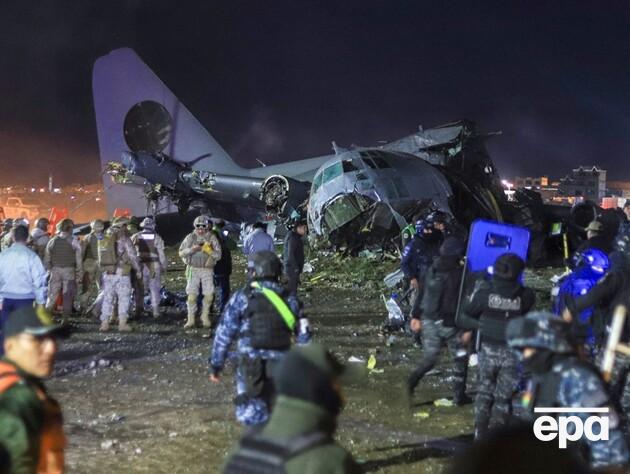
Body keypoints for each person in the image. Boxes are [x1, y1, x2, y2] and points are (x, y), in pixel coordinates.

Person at [507, 311, 629, 470]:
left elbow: (609, 446)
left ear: (547, 343)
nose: (525, 355)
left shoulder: (577, 378)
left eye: (528, 348)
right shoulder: (542, 376)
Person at [223, 343, 362, 474]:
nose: (343, 397)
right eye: (338, 385)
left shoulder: (242, 449)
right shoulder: (331, 461)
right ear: (322, 389)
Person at [209, 250, 311, 426]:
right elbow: (305, 336)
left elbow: (224, 333)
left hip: (250, 364)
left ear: (253, 271)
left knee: (251, 415)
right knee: (281, 415)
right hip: (281, 363)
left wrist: (216, 365)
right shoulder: (290, 298)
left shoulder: (242, 297)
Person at [460, 253, 535, 439]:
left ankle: (480, 432)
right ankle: (498, 435)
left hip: (488, 350)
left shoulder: (484, 294)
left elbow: (464, 315)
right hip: (512, 353)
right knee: (504, 397)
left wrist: (480, 325)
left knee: (484, 392)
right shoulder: (526, 296)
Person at [563, 231, 630, 418]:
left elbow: (594, 295)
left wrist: (570, 311)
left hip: (617, 343)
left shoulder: (618, 274)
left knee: (603, 392)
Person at [0, 306, 66, 473]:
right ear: (9, 346)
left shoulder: (14, 381)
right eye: (37, 339)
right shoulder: (18, 397)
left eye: (53, 338)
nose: (51, 348)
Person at [407, 237, 470, 405]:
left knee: (430, 358)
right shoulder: (461, 273)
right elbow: (465, 301)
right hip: (451, 323)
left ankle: (411, 382)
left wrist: (415, 316)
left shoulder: (431, 269)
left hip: (429, 320)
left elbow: (422, 293)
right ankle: (459, 396)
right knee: (460, 358)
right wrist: (467, 327)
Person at [0, 225, 47, 356]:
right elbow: (39, 281)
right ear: (27, 238)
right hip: (25, 300)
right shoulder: (32, 256)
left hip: (5, 300)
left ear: (12, 237)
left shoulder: (3, 255)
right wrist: (41, 302)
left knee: (5, 331)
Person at [98, 216, 141, 332]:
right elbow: (132, 255)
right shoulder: (124, 238)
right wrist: (138, 270)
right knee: (123, 298)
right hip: (122, 272)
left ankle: (104, 324)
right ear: (122, 226)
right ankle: (122, 324)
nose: (126, 228)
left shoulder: (105, 236)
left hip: (108, 271)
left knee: (108, 298)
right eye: (125, 225)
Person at [178, 215, 222, 328]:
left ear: (207, 226)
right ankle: (191, 319)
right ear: (195, 226)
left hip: (207, 270)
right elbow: (181, 252)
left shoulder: (211, 238)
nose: (201, 229)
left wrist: (209, 251)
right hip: (193, 269)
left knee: (209, 295)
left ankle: (205, 316)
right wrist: (192, 250)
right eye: (198, 226)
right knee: (192, 296)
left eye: (203, 226)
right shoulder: (190, 237)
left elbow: (218, 255)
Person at [401, 218, 442, 319]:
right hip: (417, 279)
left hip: (432, 278)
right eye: (426, 230)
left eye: (430, 230)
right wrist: (412, 278)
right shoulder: (413, 245)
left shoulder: (434, 242)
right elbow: (404, 263)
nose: (429, 232)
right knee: (416, 304)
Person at [44, 219, 82, 319]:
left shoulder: (52, 241)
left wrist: (50, 270)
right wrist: (79, 273)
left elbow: (47, 259)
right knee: (67, 294)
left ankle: (47, 313)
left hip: (55, 270)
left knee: (52, 293)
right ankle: (65, 318)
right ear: (69, 228)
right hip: (69, 270)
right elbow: (79, 260)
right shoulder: (74, 241)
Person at [131, 217, 167, 318]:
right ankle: (155, 311)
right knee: (154, 288)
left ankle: (138, 309)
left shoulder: (136, 236)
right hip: (153, 265)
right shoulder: (157, 237)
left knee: (139, 288)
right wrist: (164, 266)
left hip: (140, 266)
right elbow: (161, 254)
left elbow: (131, 252)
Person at [79, 219, 105, 313]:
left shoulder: (87, 237)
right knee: (101, 287)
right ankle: (97, 308)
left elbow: (82, 252)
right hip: (102, 264)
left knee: (87, 287)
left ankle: (83, 307)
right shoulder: (105, 237)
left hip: (89, 263)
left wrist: (80, 264)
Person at [211, 219, 235, 315]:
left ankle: (209, 308)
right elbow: (233, 246)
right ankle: (222, 309)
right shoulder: (223, 240)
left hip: (213, 270)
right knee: (224, 291)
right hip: (222, 270)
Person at [283, 221, 307, 296]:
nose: (305, 230)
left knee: (292, 288)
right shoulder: (293, 238)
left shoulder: (295, 236)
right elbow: (290, 254)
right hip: (291, 268)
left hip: (292, 267)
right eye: (304, 228)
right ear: (298, 228)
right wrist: (296, 268)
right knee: (291, 289)